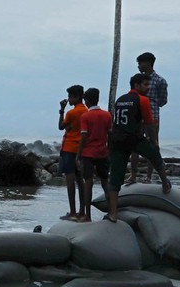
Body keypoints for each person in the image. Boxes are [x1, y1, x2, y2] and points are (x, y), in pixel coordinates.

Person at [106, 73, 171, 222]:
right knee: (155, 155)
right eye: (145, 85)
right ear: (136, 85)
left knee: (115, 178)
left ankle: (113, 214)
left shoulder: (120, 99)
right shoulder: (142, 100)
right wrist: (153, 141)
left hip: (116, 140)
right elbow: (149, 124)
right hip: (133, 138)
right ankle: (165, 183)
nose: (148, 88)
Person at [128, 52, 168, 184]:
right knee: (134, 145)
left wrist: (152, 105)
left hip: (153, 115)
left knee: (152, 144)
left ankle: (149, 177)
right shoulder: (138, 80)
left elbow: (163, 100)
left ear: (148, 63)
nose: (138, 66)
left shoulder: (159, 81)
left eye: (140, 63)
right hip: (138, 116)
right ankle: (133, 175)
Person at [75, 88, 111, 222]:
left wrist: (78, 154)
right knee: (105, 183)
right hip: (102, 152)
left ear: (87, 100)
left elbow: (83, 136)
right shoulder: (107, 115)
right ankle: (112, 211)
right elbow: (110, 134)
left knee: (88, 183)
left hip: (88, 153)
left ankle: (87, 215)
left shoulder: (85, 116)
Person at [57, 84, 87, 221]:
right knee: (80, 181)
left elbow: (60, 126)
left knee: (70, 181)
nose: (68, 99)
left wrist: (62, 110)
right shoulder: (86, 111)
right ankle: (82, 211)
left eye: (70, 97)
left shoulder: (71, 113)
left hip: (69, 148)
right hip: (81, 149)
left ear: (77, 97)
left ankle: (72, 212)